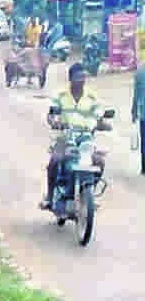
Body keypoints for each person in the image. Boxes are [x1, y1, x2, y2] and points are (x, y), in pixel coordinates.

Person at [41, 63, 104, 209]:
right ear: (70, 78)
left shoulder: (92, 96)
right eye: (78, 77)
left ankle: (89, 196)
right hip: (65, 137)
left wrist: (101, 123)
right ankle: (50, 197)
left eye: (83, 77)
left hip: (85, 138)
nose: (81, 80)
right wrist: (55, 121)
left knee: (99, 162)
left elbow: (99, 115)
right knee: (55, 161)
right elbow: (51, 115)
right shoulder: (60, 95)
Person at [133, 65, 145, 175]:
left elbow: (136, 95)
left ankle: (144, 167)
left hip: (143, 114)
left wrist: (134, 111)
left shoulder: (140, 73)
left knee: (144, 142)